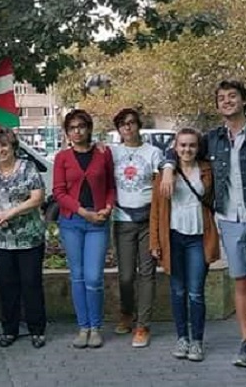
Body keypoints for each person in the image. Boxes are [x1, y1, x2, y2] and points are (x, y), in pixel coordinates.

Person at [160, 80, 246, 369]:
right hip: (229, 221)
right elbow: (178, 148)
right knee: (239, 283)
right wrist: (167, 167)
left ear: (244, 101)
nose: (226, 101)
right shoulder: (212, 139)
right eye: (221, 98)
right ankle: (245, 342)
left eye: (232, 97)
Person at [149, 128, 219, 362]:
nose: (187, 149)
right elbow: (156, 211)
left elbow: (212, 199)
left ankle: (197, 341)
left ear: (198, 148)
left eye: (192, 145)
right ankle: (182, 337)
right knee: (178, 291)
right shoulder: (165, 173)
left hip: (198, 236)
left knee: (196, 293)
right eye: (182, 145)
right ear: (175, 148)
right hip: (173, 237)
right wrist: (155, 242)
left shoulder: (207, 170)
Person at [52, 109, 115, 349]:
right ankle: (83, 327)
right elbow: (58, 192)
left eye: (81, 126)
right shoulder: (62, 158)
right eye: (72, 128)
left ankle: (96, 327)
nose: (77, 131)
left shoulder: (103, 153)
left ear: (89, 128)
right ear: (67, 132)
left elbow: (111, 185)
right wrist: (81, 211)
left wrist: (108, 206)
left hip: (98, 221)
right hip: (73, 221)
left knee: (93, 276)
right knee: (77, 276)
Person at [0, 128, 47, 349]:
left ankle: (37, 329)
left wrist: (10, 213)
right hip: (1, 241)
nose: (1, 150)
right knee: (7, 285)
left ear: (13, 147)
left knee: (31, 283)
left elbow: (37, 198)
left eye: (5, 145)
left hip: (29, 238)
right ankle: (9, 329)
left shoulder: (27, 168)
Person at [110, 108, 163, 347]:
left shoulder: (153, 152)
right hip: (122, 220)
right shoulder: (112, 152)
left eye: (131, 123)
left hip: (147, 221)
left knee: (147, 274)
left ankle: (143, 325)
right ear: (118, 129)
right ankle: (126, 312)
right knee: (126, 275)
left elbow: (165, 173)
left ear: (138, 125)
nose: (127, 128)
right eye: (122, 124)